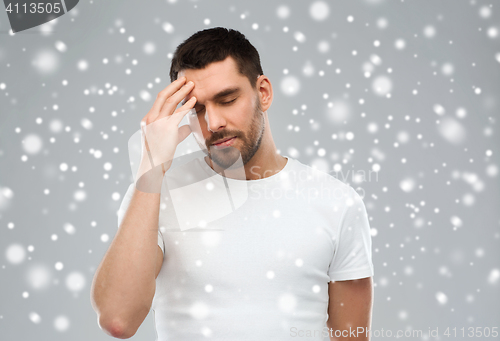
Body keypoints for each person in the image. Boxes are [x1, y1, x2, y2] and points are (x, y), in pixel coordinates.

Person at [91, 27, 374, 340]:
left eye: (227, 99)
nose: (213, 123)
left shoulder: (336, 202)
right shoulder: (156, 194)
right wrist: (149, 169)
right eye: (196, 109)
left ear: (263, 93)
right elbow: (118, 318)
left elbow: (351, 337)